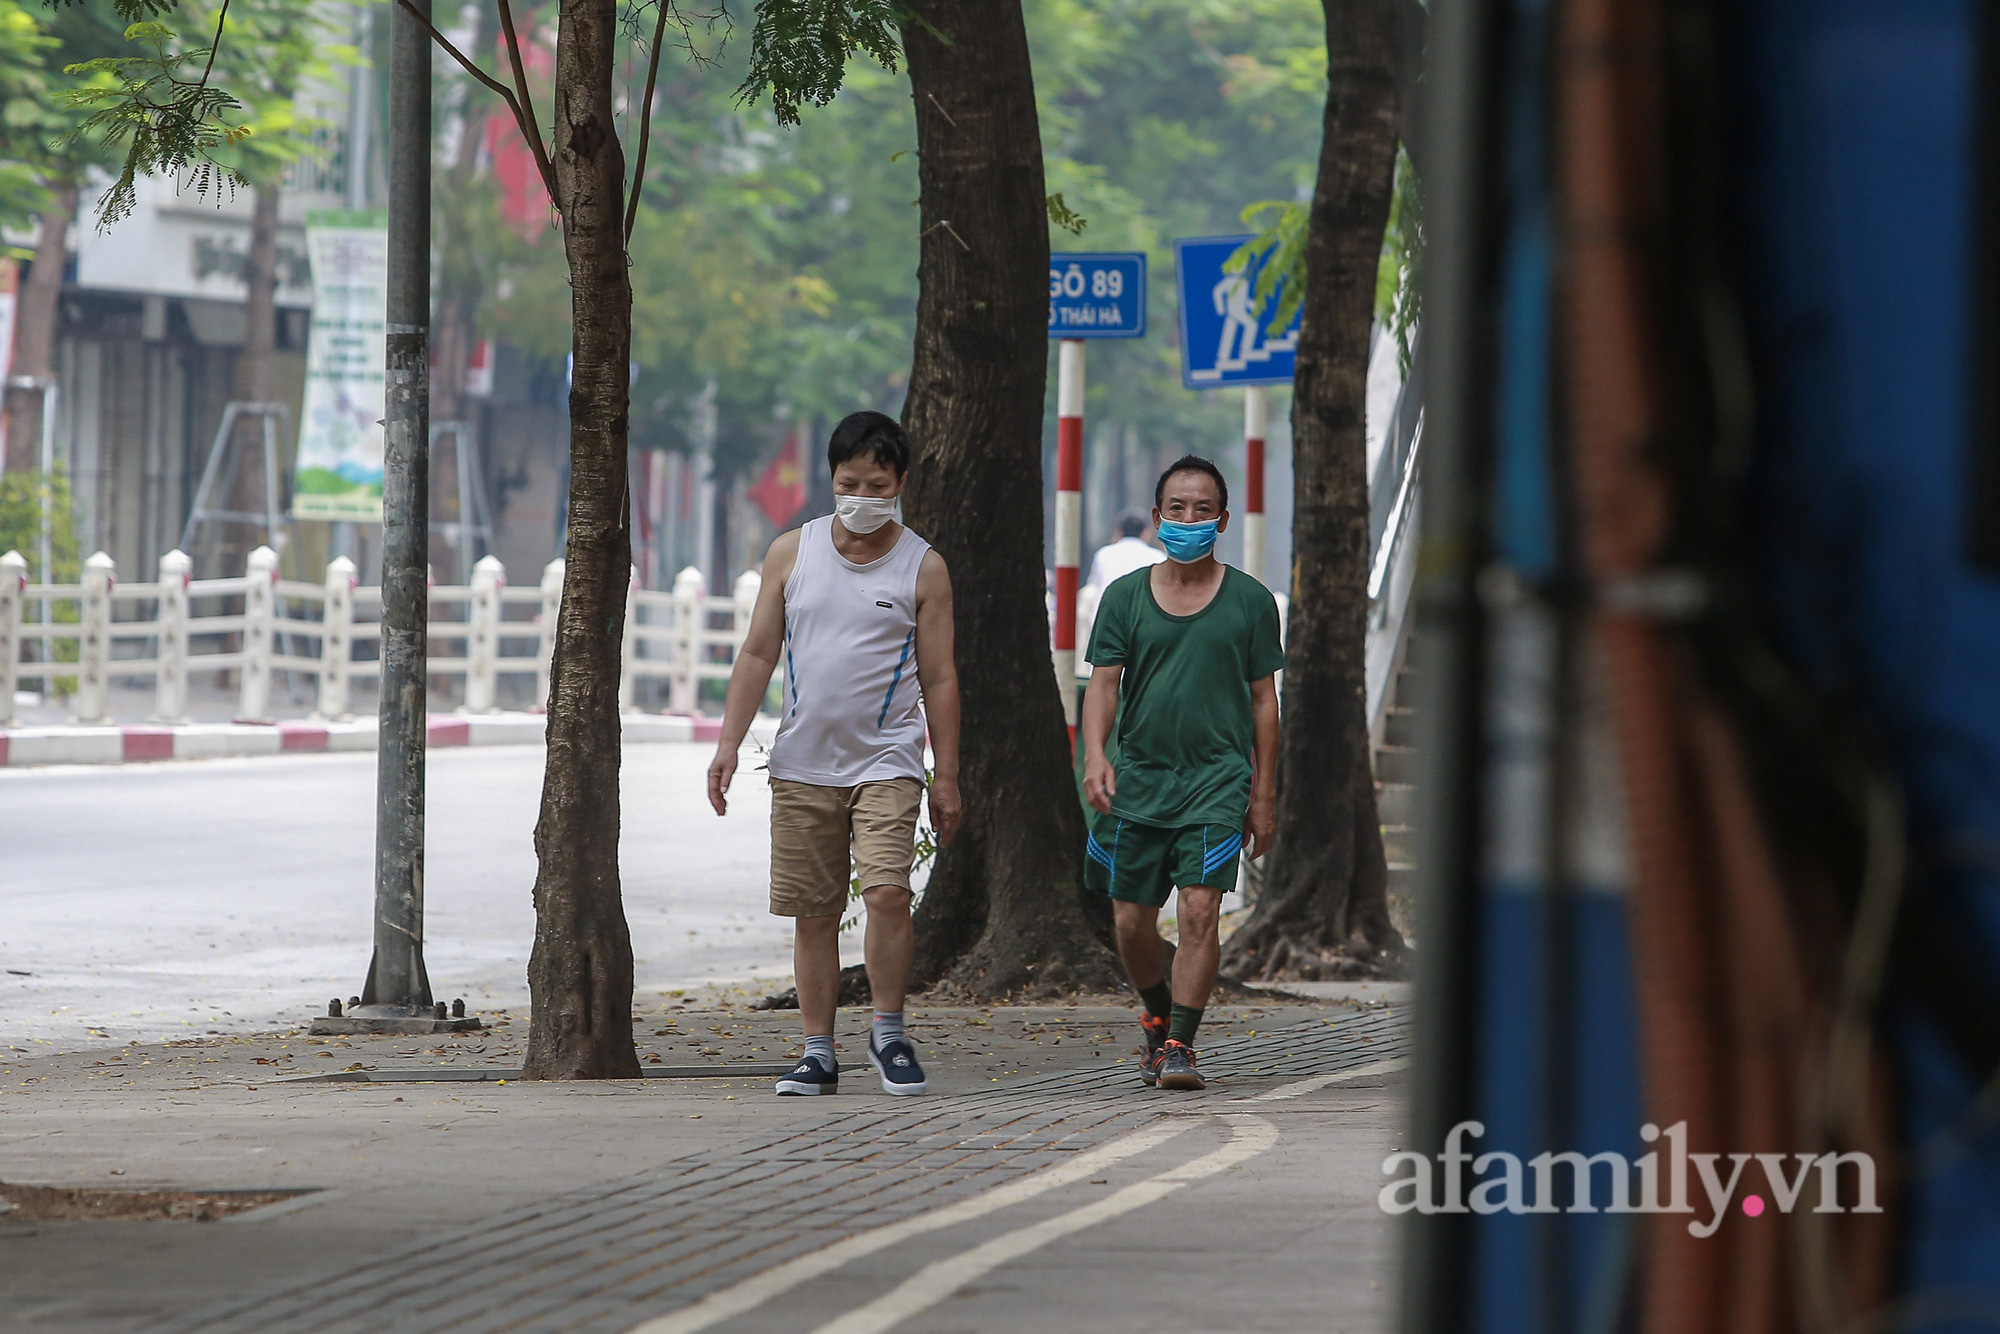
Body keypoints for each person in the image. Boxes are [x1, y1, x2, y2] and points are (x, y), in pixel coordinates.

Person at [708, 411, 962, 1097]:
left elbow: (940, 676)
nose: (861, 497)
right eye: (848, 482)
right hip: (801, 763)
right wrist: (729, 744)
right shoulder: (791, 553)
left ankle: (888, 1031)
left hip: (888, 759)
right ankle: (817, 1052)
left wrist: (949, 777)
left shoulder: (923, 566)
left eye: (877, 485)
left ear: (901, 482)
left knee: (886, 893)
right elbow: (760, 651)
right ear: (830, 478)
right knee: (813, 911)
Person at [1080, 455, 1283, 1092]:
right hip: (1137, 780)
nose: (1188, 519)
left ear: (1222, 519)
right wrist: (1095, 755)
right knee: (1131, 923)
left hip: (1217, 782)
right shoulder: (1124, 597)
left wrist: (1263, 790)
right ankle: (1158, 1010)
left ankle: (1178, 1046)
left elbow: (1263, 700)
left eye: (1202, 510)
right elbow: (1103, 685)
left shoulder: (1250, 601)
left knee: (1200, 910)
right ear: (1158, 515)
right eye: (1177, 509)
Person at [1085, 510, 1165, 592]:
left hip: (1107, 603)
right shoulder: (1158, 557)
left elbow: (1093, 585)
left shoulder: (1104, 553)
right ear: (1146, 533)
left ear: (1119, 532)